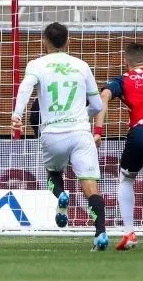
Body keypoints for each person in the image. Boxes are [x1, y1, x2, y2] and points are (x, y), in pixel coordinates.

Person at [11, 22, 107, 250]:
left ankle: (62, 194)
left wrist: (17, 115)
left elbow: (25, 88)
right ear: (68, 41)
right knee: (91, 187)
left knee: (54, 174)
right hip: (80, 132)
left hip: (53, 132)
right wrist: (81, 117)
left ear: (44, 41)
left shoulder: (36, 64)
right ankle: (100, 233)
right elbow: (97, 104)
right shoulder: (82, 65)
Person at [93, 42, 143, 251]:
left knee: (127, 179)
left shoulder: (124, 79)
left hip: (141, 134)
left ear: (126, 61)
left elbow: (104, 96)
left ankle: (129, 233)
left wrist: (98, 131)